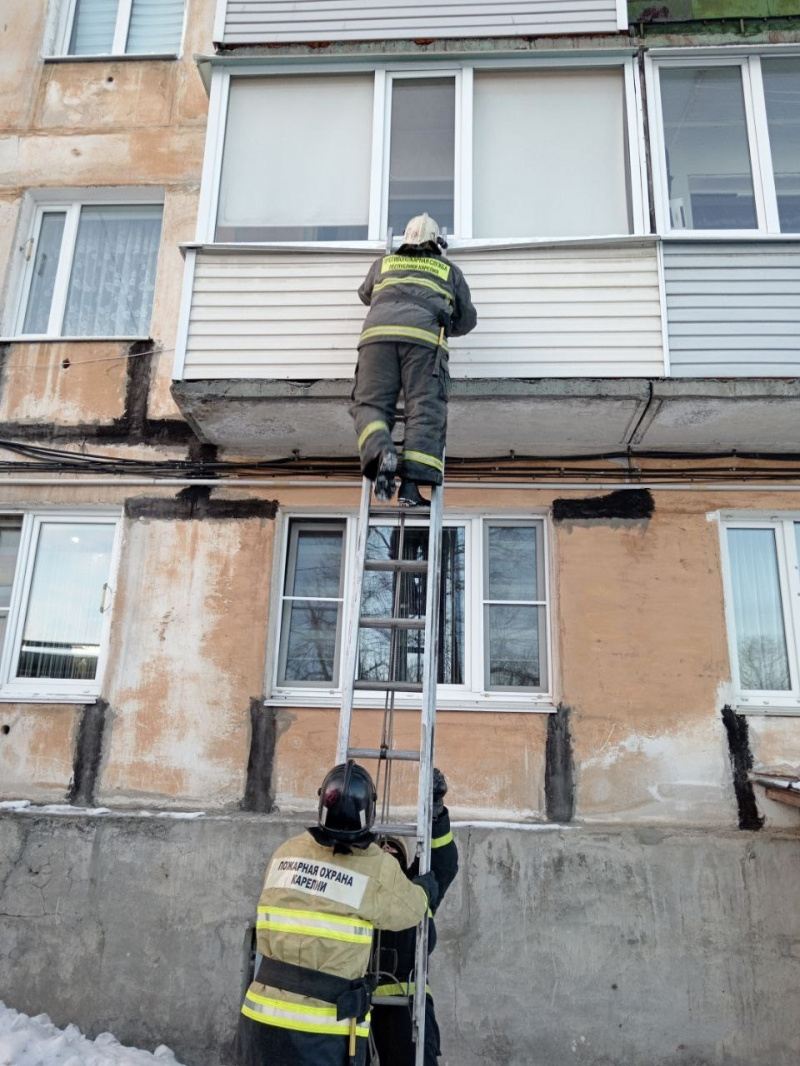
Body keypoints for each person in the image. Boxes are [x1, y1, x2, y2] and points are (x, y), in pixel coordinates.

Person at [234, 760, 439, 1066]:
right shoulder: (375, 867)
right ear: (368, 812)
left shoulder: (286, 852)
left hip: (261, 1017)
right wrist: (423, 889)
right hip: (320, 1030)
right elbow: (408, 911)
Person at [350, 213, 478, 507]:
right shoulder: (449, 271)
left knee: (369, 404)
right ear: (436, 243)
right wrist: (445, 326)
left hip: (377, 339)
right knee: (423, 409)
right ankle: (410, 488)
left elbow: (364, 295)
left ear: (404, 240)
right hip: (423, 343)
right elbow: (467, 320)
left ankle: (381, 451)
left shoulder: (383, 264)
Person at [370, 769, 458, 1066]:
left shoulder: (418, 888)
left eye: (393, 846)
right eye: (378, 846)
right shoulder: (355, 886)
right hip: (356, 1005)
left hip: (408, 1011)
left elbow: (442, 862)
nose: (385, 849)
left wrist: (435, 813)